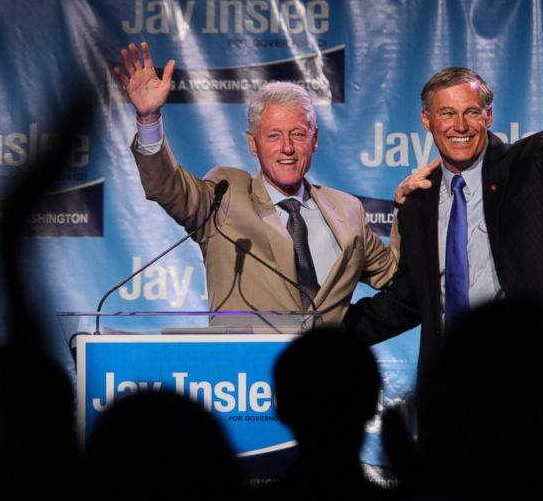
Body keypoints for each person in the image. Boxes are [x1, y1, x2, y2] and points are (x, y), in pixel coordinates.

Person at [344, 44, 543, 377]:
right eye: (446, 113)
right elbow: (408, 299)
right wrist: (321, 330)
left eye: (472, 112)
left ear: (488, 116)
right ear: (426, 120)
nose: (459, 125)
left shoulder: (532, 164)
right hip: (454, 379)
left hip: (537, 373)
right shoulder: (418, 203)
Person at [114, 42, 397, 326]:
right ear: (253, 143)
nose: (287, 148)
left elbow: (393, 274)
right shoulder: (225, 196)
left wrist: (410, 206)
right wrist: (149, 119)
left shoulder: (347, 210)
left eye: (298, 134)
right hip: (244, 368)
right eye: (273, 136)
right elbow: (168, 187)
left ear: (315, 139)